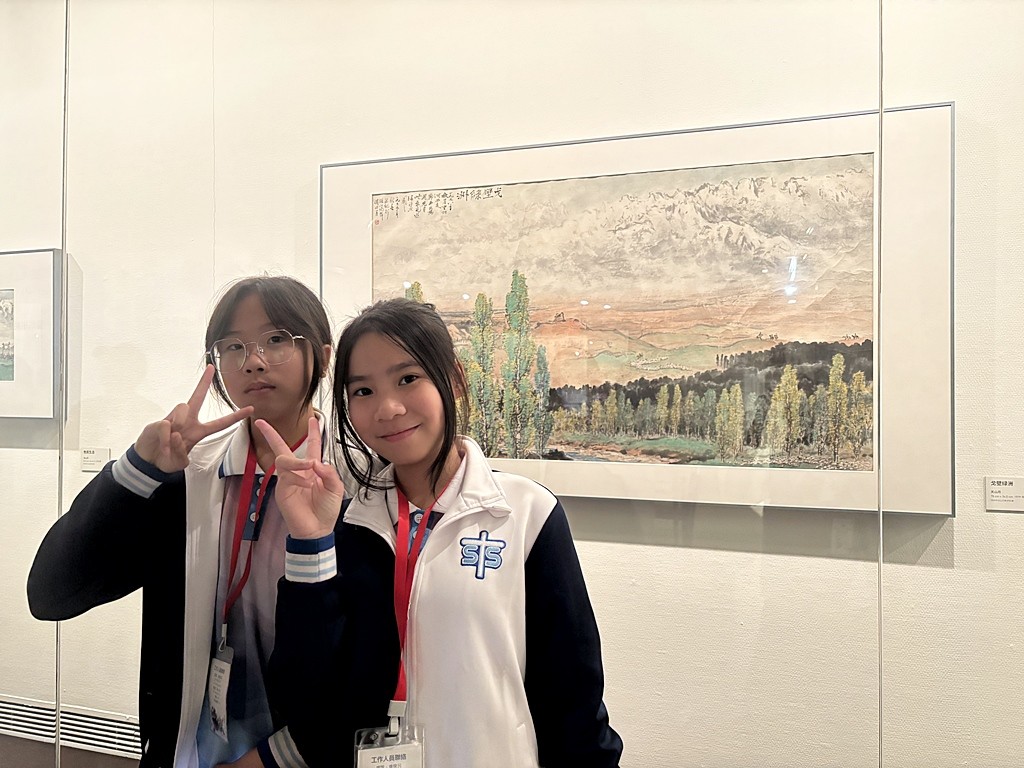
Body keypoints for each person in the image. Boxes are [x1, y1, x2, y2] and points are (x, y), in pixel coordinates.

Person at [258, 297, 623, 767]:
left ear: (453, 379)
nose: (388, 408)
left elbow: (573, 700)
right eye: (363, 390)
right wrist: (309, 541)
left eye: (408, 379)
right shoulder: (348, 526)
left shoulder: (524, 514)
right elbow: (303, 696)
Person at [28, 275, 338, 768]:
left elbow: (367, 665)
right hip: (189, 751)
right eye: (232, 346)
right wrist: (137, 470)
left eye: (277, 339)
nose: (253, 361)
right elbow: (51, 594)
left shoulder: (356, 486)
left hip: (302, 756)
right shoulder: (189, 476)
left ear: (321, 356)